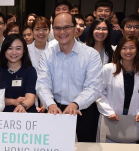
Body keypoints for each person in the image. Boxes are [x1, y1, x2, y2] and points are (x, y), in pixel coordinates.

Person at [36, 14, 102, 142]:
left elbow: (94, 87)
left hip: (83, 110)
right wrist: (50, 104)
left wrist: (75, 103)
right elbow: (42, 84)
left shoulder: (90, 54)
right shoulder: (47, 55)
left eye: (67, 27)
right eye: (57, 28)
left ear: (75, 28)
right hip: (55, 110)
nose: (62, 32)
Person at [97, 36, 139, 134]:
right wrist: (108, 112)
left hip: (134, 117)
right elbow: (99, 93)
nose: (128, 51)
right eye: (124, 48)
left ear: (137, 50)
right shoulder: (108, 69)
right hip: (111, 116)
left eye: (132, 47)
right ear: (119, 50)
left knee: (131, 148)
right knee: (109, 147)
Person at [0, 35, 37, 113]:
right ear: (4, 50)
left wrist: (22, 106)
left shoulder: (30, 71)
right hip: (2, 116)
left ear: (24, 50)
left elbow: (30, 97)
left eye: (18, 48)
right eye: (10, 48)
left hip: (26, 114)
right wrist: (13, 101)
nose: (14, 52)